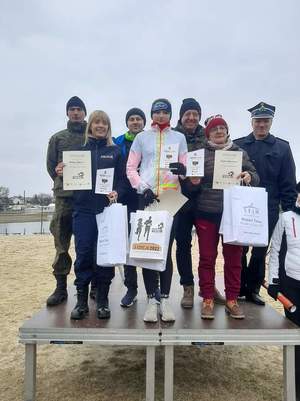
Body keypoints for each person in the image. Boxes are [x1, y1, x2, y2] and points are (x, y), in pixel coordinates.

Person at [182, 115, 259, 319]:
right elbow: (189, 187)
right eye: (215, 129)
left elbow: (255, 174)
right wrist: (194, 182)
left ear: (227, 131)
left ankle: (232, 299)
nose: (219, 131)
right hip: (206, 212)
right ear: (208, 133)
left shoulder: (239, 153)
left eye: (223, 128)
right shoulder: (199, 154)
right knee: (207, 258)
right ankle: (207, 297)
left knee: (234, 259)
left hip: (233, 214)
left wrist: (250, 176)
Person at [127, 98, 188, 322]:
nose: (161, 115)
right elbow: (131, 167)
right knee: (148, 250)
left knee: (166, 250)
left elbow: (185, 168)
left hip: (171, 198)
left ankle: (165, 298)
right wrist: (142, 187)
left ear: (170, 115)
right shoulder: (142, 138)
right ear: (151, 114)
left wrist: (183, 170)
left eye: (165, 112)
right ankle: (152, 299)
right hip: (148, 197)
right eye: (157, 112)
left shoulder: (179, 137)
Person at [234, 102, 297, 305]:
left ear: (271, 122)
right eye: (258, 121)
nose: (261, 125)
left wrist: (289, 213)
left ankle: (252, 289)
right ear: (252, 122)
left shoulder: (283, 148)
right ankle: (238, 287)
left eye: (265, 121)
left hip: (269, 208)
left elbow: (288, 183)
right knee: (240, 249)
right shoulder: (239, 145)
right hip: (243, 207)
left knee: (260, 251)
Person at [66, 110, 125, 320]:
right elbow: (69, 179)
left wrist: (117, 191)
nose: (100, 126)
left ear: (108, 127)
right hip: (83, 211)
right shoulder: (78, 151)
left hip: (106, 211)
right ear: (90, 125)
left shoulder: (116, 151)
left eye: (104, 123)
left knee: (105, 257)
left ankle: (102, 300)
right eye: (96, 122)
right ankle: (81, 301)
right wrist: (62, 171)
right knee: (83, 254)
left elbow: (122, 180)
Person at [46, 96, 98, 306]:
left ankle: (94, 285)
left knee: (89, 244)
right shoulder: (57, 138)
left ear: (85, 113)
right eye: (72, 109)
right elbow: (51, 167)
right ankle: (60, 287)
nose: (76, 112)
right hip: (64, 199)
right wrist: (59, 173)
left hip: (88, 198)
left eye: (79, 109)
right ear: (67, 113)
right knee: (61, 244)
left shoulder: (93, 137)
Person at [174, 98, 225, 308]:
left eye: (195, 113)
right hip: (179, 200)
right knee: (183, 245)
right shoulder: (172, 137)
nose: (192, 117)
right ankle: (188, 287)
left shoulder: (207, 137)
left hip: (204, 201)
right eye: (188, 114)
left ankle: (208, 287)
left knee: (208, 249)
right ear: (181, 116)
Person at [268, 181, 300, 400]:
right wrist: (273, 282)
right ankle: (296, 389)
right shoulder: (286, 218)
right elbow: (275, 249)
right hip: (291, 284)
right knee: (296, 338)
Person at [113, 108, 146, 307]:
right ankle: (131, 288)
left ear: (144, 122)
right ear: (127, 123)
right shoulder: (118, 142)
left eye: (138, 119)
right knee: (127, 247)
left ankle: (154, 288)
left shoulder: (152, 139)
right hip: (126, 198)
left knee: (150, 244)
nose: (135, 122)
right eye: (131, 119)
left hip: (148, 198)